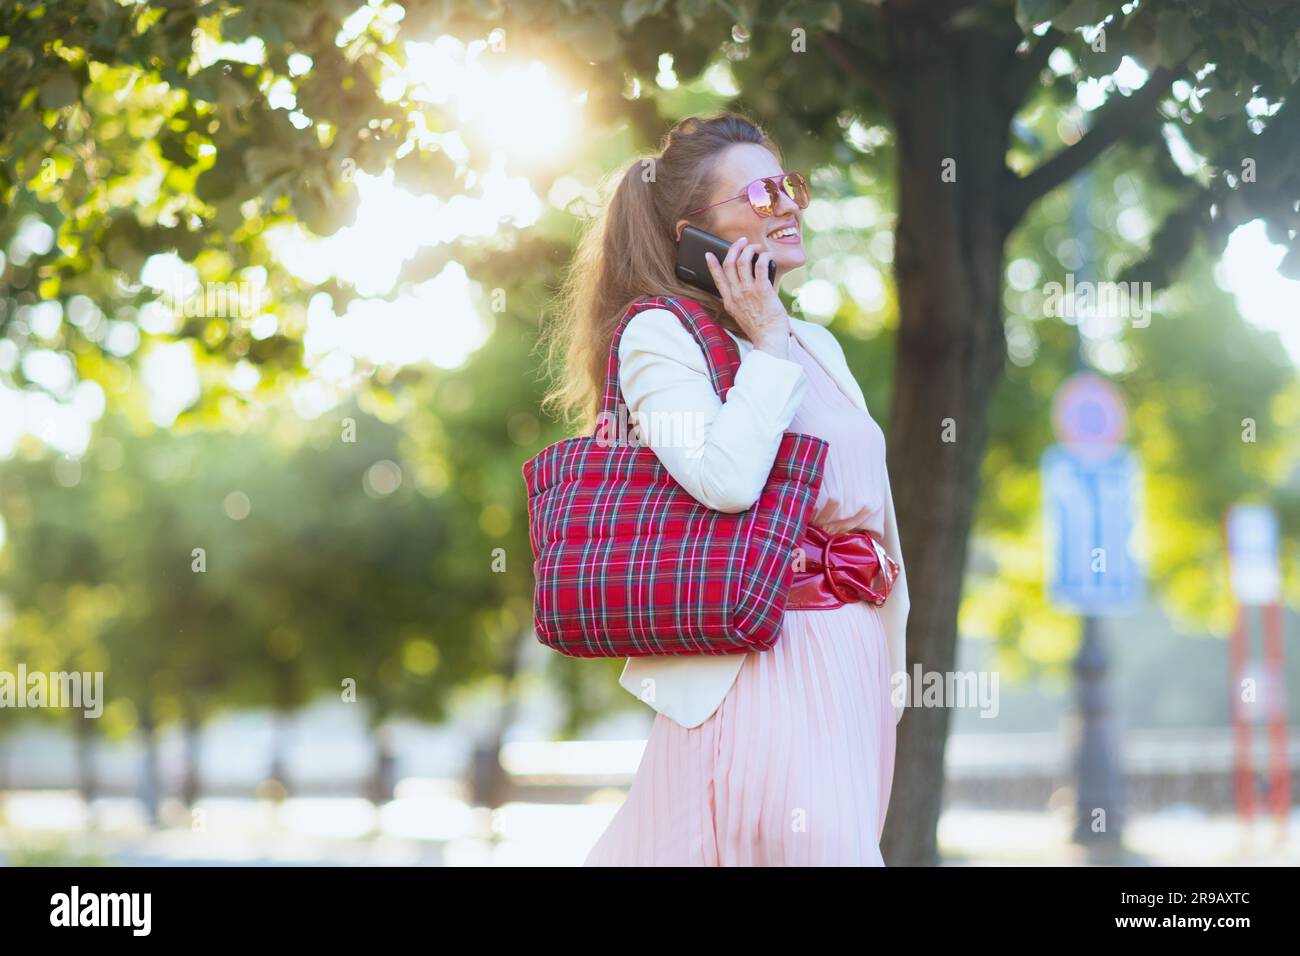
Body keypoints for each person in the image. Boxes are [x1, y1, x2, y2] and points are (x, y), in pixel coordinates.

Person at [542, 112, 910, 866]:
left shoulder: (819, 342)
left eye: (789, 186)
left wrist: (890, 667)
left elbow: (876, 524)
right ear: (693, 234)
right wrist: (765, 343)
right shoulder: (660, 337)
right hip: (764, 672)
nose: (789, 206)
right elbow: (727, 481)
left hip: (850, 670)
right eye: (762, 194)